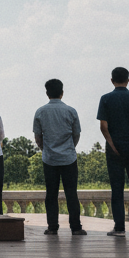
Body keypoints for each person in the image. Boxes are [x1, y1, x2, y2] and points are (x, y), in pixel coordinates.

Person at [96, 67, 129, 237]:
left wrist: (112, 144)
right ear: (128, 80)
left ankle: (119, 227)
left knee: (117, 189)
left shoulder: (105, 99)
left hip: (114, 149)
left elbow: (103, 127)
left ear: (112, 80)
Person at [33, 78, 86, 235]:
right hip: (69, 158)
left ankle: (52, 226)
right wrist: (70, 148)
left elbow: (38, 137)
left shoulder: (40, 112)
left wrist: (45, 149)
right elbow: (76, 134)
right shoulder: (71, 111)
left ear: (47, 93)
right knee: (71, 193)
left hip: (49, 159)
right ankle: (75, 227)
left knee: (51, 194)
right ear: (62, 92)